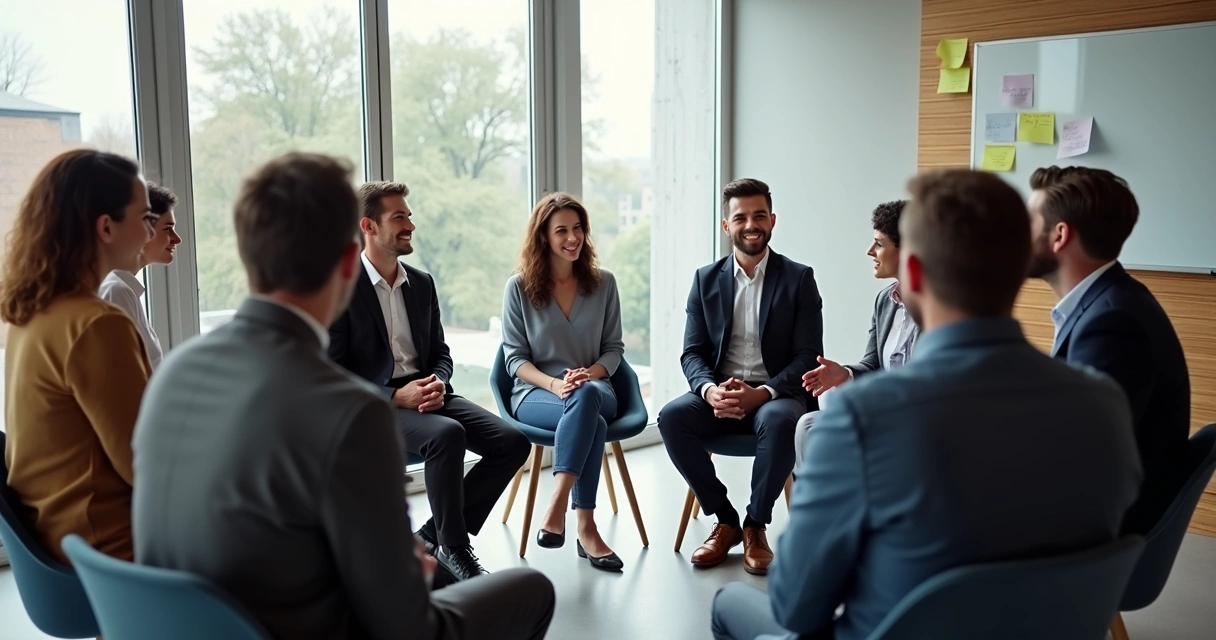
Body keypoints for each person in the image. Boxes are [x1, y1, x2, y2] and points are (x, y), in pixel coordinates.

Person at [132, 153, 555, 640]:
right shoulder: (350, 412)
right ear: (350, 256)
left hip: (190, 624)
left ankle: (439, 544)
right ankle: (442, 548)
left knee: (437, 562)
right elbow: (403, 621)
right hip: (307, 627)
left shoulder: (174, 374)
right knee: (532, 589)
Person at [709, 169, 1143, 640]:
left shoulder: (863, 420)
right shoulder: (1105, 403)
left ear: (912, 273)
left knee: (728, 602)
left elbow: (796, 605)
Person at [327, 181, 531, 581]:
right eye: (399, 217)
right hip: (375, 406)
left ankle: (432, 535)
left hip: (427, 392)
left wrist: (438, 379)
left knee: (512, 443)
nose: (410, 225)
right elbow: (331, 371)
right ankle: (455, 550)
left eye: (409, 215)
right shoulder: (341, 287)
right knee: (447, 435)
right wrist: (392, 395)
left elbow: (440, 352)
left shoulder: (422, 283)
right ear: (368, 226)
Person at [658, 178, 824, 575]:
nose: (751, 224)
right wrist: (710, 389)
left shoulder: (799, 278)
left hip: (776, 392)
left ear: (772, 220)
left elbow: (806, 357)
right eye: (741, 217)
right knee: (671, 417)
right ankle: (725, 519)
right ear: (726, 225)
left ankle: (755, 523)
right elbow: (692, 352)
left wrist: (763, 392)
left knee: (782, 420)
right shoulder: (704, 280)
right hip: (722, 389)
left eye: (759, 215)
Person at [1, 149, 156, 563]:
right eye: (144, 219)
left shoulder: (29, 313)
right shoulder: (97, 324)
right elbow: (145, 467)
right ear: (106, 227)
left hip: (56, 538)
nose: (149, 233)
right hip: (109, 548)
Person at [1027, 165, 1190, 534]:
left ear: (1059, 235)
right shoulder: (1110, 302)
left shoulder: (1113, 323)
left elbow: (1079, 454)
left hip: (1100, 532)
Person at [501, 192, 625, 571]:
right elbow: (514, 359)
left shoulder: (604, 283)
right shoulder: (518, 288)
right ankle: (586, 528)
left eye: (578, 229)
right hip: (539, 393)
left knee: (587, 398)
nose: (573, 238)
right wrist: (555, 385)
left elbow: (613, 350)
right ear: (543, 237)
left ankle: (557, 501)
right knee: (594, 424)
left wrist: (589, 374)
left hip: (596, 386)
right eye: (561, 231)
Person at [796, 200, 918, 468]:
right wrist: (846, 374)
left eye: (880, 244)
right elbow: (872, 364)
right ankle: (822, 509)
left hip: (918, 419)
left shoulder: (938, 306)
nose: (870, 251)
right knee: (809, 425)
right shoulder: (885, 301)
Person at [98, 182, 182, 371]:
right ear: (143, 230)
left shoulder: (124, 290)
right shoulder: (116, 292)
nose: (177, 239)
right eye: (167, 229)